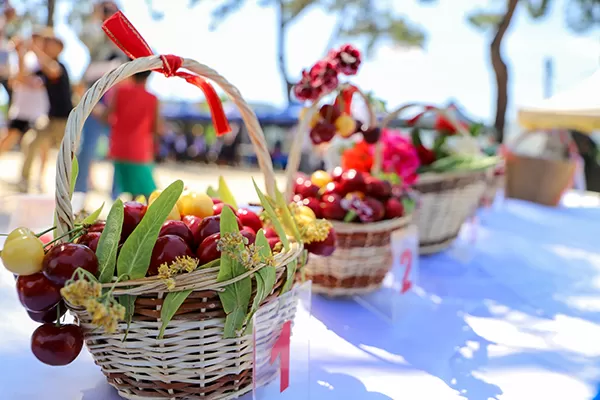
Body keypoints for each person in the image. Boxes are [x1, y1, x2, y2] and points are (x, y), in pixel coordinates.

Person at [75, 0, 127, 195]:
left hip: (119, 108)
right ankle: (79, 194)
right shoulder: (97, 43)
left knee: (120, 153)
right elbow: (84, 36)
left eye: (113, 11)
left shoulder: (125, 45)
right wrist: (97, 16)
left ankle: (117, 198)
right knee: (86, 150)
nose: (109, 14)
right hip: (94, 106)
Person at [19, 30, 73, 192]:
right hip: (50, 119)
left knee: (69, 157)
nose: (46, 47)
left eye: (50, 44)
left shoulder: (59, 66)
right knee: (30, 141)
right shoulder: (43, 67)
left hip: (66, 121)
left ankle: (70, 188)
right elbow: (22, 78)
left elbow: (52, 70)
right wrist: (21, 53)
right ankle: (25, 180)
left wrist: (34, 49)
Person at [106, 70, 162, 198]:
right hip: (139, 152)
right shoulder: (152, 98)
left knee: (133, 197)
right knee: (150, 197)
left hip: (119, 150)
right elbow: (156, 128)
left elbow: (106, 116)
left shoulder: (120, 92)